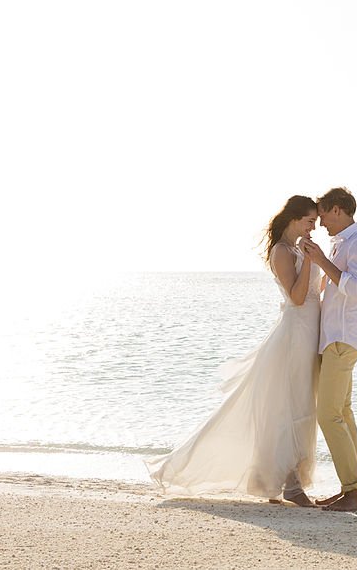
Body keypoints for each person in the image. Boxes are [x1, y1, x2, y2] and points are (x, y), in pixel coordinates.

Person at [143, 195, 322, 507]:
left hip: (310, 332)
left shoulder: (298, 249)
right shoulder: (282, 252)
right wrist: (310, 260)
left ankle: (273, 480)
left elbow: (313, 291)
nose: (313, 228)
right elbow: (296, 296)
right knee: (290, 406)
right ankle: (288, 485)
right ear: (295, 218)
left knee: (301, 404)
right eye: (309, 221)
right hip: (295, 334)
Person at [301, 187, 357, 512]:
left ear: (337, 210)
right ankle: (352, 490)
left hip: (342, 340)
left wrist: (320, 261)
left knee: (328, 415)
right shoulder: (339, 244)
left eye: (323, 214)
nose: (321, 223)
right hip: (333, 338)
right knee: (342, 413)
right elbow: (333, 286)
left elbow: (356, 290)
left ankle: (353, 493)